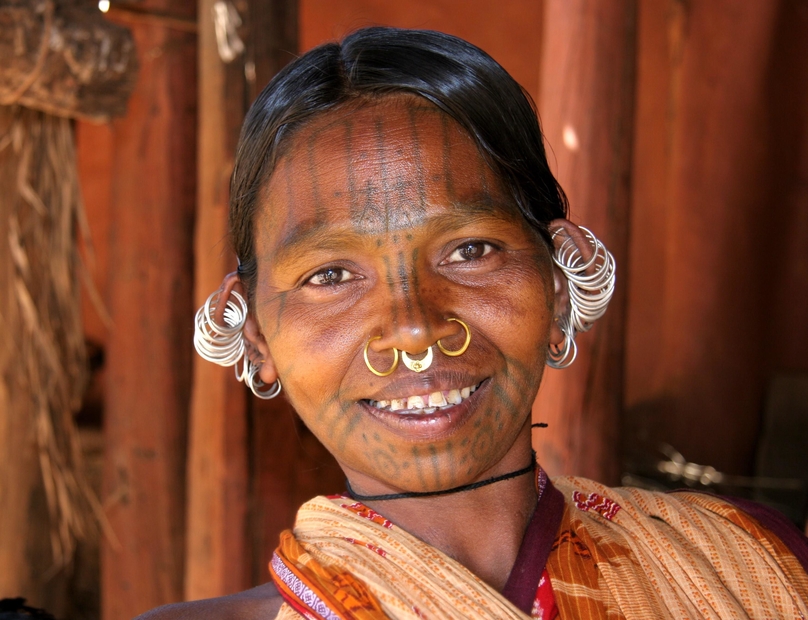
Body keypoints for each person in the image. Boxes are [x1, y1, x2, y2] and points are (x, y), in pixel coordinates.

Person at [143, 27, 808, 619]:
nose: (413, 328)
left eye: (470, 251)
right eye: (332, 275)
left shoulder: (748, 572)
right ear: (255, 336)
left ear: (556, 285)